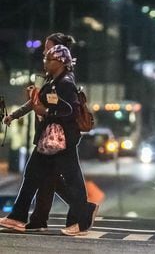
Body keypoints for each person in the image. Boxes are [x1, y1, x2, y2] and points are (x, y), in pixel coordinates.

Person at [2, 33, 98, 233]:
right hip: (50, 138)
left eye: (48, 53)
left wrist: (45, 111)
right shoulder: (51, 79)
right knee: (35, 176)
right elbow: (36, 102)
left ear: (60, 60)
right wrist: (17, 114)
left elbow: (68, 109)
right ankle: (20, 217)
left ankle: (81, 220)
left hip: (62, 138)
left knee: (71, 180)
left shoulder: (65, 82)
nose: (44, 56)